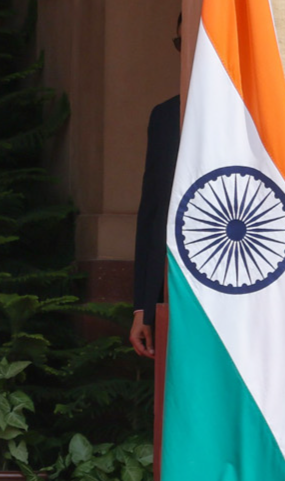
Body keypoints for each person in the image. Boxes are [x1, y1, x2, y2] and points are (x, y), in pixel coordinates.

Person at [130, 13, 183, 359]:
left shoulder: (260, 113)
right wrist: (143, 308)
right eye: (181, 43)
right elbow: (153, 213)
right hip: (178, 292)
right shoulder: (166, 117)